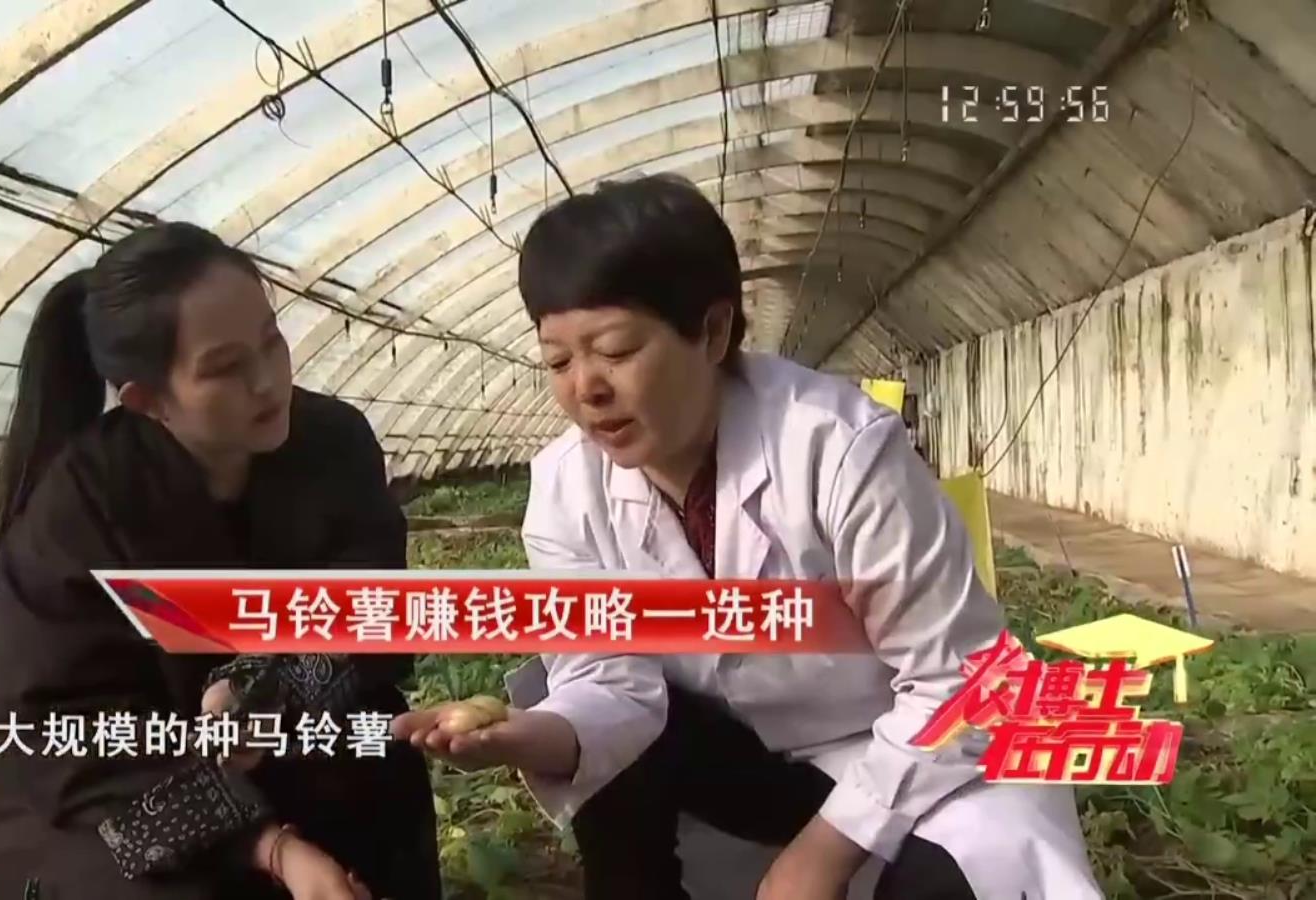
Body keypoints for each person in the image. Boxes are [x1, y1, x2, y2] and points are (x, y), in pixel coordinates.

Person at [392, 175, 1099, 900]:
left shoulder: (838, 449)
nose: (586, 389)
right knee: (568, 707)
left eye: (615, 350)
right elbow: (608, 682)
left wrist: (819, 857)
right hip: (757, 760)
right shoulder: (568, 486)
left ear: (712, 331)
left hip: (905, 745)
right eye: (558, 361)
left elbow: (959, 685)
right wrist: (528, 736)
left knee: (947, 880)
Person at [0, 222, 441, 900]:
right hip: (111, 794)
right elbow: (67, 738)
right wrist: (270, 847)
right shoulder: (78, 508)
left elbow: (372, 607)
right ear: (147, 399)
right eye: (224, 368)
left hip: (277, 740)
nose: (268, 381)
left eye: (271, 341)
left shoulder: (333, 443)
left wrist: (267, 688)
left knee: (379, 767)